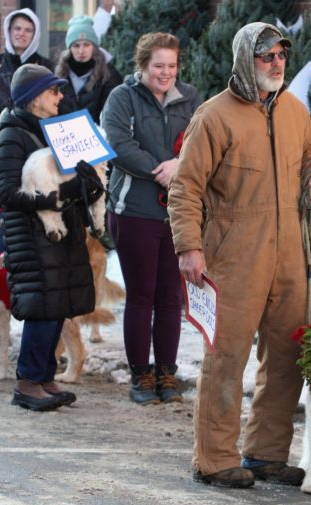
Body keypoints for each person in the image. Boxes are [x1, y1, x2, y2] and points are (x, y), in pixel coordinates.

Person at [167, 23, 311, 488]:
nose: (277, 63)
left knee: (286, 356)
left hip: (291, 253)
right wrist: (189, 247)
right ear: (246, 59)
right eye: (267, 56)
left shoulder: (294, 110)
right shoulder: (213, 116)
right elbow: (186, 187)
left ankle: (265, 453)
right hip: (232, 255)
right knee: (228, 356)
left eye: (281, 55)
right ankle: (215, 459)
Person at [0, 64, 102, 411]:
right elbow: (7, 192)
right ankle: (27, 382)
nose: (60, 96)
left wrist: (85, 182)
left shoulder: (54, 130)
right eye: (53, 91)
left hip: (62, 232)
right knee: (42, 306)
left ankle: (44, 377)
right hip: (32, 236)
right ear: (34, 97)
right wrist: (50, 199)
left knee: (58, 305)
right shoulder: (12, 135)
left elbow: (66, 181)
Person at [101, 32, 201, 405]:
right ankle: (141, 375)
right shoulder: (122, 97)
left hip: (178, 213)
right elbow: (117, 142)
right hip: (135, 212)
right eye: (158, 65)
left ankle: (167, 374)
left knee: (171, 297)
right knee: (142, 296)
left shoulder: (190, 99)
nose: (165, 73)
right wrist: (158, 170)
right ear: (142, 65)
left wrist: (181, 165)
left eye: (172, 66)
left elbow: (202, 140)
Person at [0, 8, 54, 114]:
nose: (21, 33)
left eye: (28, 30)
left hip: (33, 129)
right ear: (9, 31)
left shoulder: (47, 67)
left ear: (35, 35)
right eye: (17, 28)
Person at [55, 15, 122, 124]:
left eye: (86, 45)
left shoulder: (110, 75)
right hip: (65, 137)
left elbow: (112, 115)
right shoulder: (59, 75)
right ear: (69, 48)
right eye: (76, 45)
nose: (81, 51)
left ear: (94, 46)